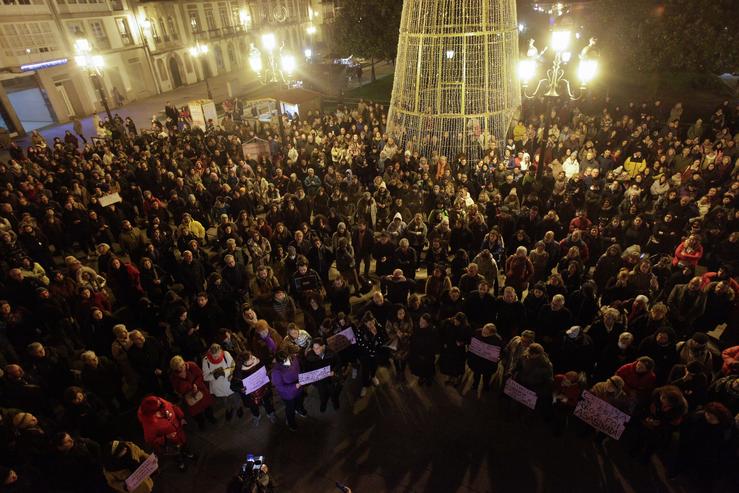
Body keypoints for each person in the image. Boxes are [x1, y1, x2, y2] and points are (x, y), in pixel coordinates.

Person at [137, 396, 195, 472]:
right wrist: (165, 437)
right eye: (159, 406)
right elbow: (150, 440)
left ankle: (187, 452)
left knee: (184, 443)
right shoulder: (148, 424)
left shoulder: (160, 402)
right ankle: (180, 462)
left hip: (179, 432)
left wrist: (181, 417)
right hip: (170, 442)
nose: (162, 404)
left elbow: (173, 407)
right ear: (151, 412)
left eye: (160, 402)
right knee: (175, 453)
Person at [169, 355, 217, 430]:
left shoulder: (191, 365)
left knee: (207, 406)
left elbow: (201, 375)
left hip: (201, 390)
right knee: (196, 412)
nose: (183, 367)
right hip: (190, 396)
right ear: (175, 369)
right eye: (180, 367)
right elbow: (177, 389)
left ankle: (211, 418)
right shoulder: (173, 376)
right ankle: (201, 423)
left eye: (183, 365)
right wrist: (189, 388)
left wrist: (196, 384)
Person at [230, 351, 277, 427]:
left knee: (268, 402)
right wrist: (241, 389)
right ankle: (256, 416)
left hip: (264, 389)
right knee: (253, 406)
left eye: (252, 356)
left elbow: (268, 370)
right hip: (250, 395)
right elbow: (233, 386)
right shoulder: (239, 371)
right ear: (244, 362)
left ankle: (270, 413)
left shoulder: (259, 362)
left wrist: (267, 375)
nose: (253, 358)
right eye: (250, 358)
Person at [202, 343, 241, 422]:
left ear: (220, 351)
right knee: (225, 402)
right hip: (219, 388)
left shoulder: (226, 354)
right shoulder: (206, 361)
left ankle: (239, 408)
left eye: (218, 355)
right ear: (210, 353)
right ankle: (228, 410)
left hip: (230, 385)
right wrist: (214, 375)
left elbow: (233, 367)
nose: (216, 358)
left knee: (235, 399)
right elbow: (205, 377)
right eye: (214, 356)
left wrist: (225, 372)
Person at [270, 351, 307, 431]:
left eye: (288, 359)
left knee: (299, 400)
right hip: (288, 394)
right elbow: (279, 387)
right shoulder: (276, 371)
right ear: (279, 362)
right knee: (290, 408)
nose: (288, 362)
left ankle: (299, 409)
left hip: (299, 387)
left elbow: (298, 369)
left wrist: (303, 378)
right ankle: (290, 421)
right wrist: (294, 386)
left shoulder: (294, 358)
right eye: (284, 361)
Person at [355, 312, 388, 396]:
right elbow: (362, 344)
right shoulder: (360, 330)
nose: (372, 325)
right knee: (365, 370)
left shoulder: (378, 327)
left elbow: (382, 342)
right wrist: (371, 351)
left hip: (376, 353)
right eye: (369, 324)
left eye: (373, 322)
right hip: (365, 354)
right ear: (365, 323)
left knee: (374, 366)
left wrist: (376, 335)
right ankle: (365, 385)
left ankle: (373, 376)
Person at [305, 337, 342, 412]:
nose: (316, 350)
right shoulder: (310, 356)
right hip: (319, 380)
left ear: (323, 346)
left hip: (330, 379)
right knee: (322, 393)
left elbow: (338, 363)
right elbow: (308, 368)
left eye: (317, 348)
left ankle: (335, 402)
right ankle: (323, 403)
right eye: (314, 348)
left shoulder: (331, 353)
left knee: (333, 392)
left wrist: (333, 371)